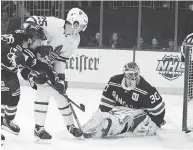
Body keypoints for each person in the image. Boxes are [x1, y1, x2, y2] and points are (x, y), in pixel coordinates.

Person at [22, 8, 88, 143]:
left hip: (47, 64)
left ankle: (70, 126)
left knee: (61, 93)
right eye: (80, 25)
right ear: (74, 23)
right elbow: (29, 21)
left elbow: (61, 60)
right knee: (44, 91)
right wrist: (35, 31)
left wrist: (61, 79)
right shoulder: (53, 23)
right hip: (31, 59)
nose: (81, 28)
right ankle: (38, 129)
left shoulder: (75, 39)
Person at [82, 62, 165, 138]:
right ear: (125, 75)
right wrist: (102, 114)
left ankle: (111, 127)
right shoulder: (114, 82)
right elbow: (106, 104)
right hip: (120, 110)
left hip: (139, 112)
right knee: (100, 114)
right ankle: (89, 126)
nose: (134, 77)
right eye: (130, 75)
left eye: (136, 74)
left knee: (133, 125)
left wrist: (156, 123)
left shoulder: (146, 89)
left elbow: (159, 109)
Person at [1, 25, 44, 145]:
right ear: (31, 39)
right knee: (3, 97)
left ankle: (7, 121)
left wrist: (32, 77)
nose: (40, 43)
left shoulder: (30, 51)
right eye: (38, 40)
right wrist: (9, 54)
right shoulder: (15, 37)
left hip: (10, 72)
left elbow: (24, 69)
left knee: (15, 95)